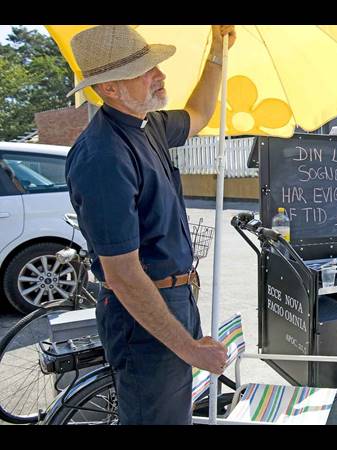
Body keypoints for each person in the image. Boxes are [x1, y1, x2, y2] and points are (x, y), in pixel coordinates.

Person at [65, 25, 236, 425]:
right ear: (109, 88)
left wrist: (217, 51)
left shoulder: (148, 124)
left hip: (173, 299)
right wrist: (192, 350)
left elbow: (200, 114)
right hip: (142, 314)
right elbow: (123, 276)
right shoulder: (103, 157)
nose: (159, 75)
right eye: (146, 70)